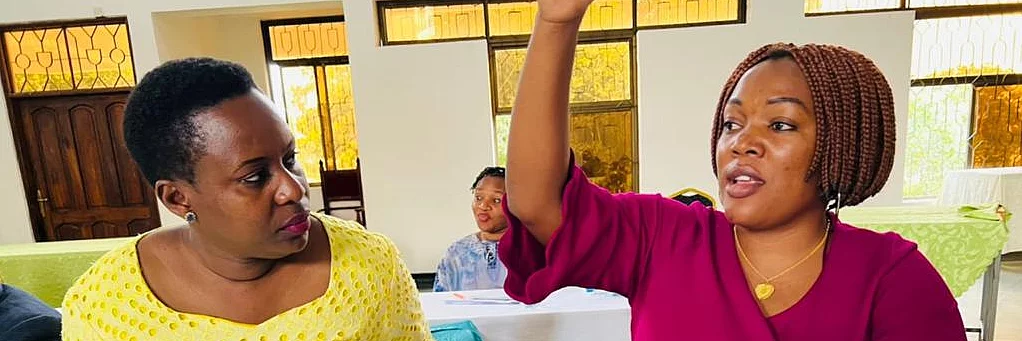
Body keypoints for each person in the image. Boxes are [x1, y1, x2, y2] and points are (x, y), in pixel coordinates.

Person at [496, 1, 966, 340]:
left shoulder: (892, 279)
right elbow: (538, 203)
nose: (742, 142)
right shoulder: (663, 237)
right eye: (731, 123)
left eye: (780, 124)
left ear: (842, 145)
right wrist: (556, 21)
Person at [60, 58, 431, 340]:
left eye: (290, 160)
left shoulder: (371, 267)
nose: (295, 189)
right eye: (254, 178)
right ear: (177, 199)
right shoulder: (103, 308)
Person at [434, 167, 509, 292]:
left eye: (496, 200)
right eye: (478, 198)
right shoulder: (457, 253)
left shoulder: (529, 250)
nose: (483, 206)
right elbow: (441, 302)